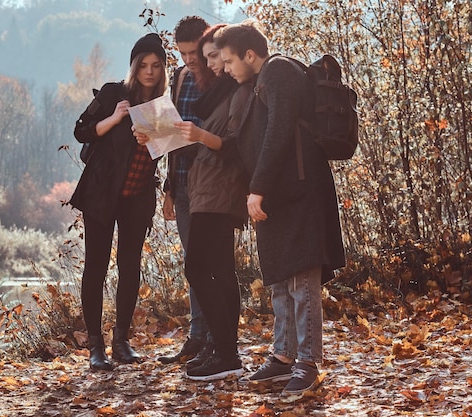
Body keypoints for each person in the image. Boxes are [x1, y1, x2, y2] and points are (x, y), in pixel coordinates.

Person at [214, 20, 346, 394]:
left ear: (250, 55)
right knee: (280, 280)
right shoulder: (259, 82)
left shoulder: (278, 71)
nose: (226, 68)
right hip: (280, 196)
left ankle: (308, 362)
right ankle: (284, 357)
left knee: (302, 280)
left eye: (228, 61)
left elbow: (280, 130)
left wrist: (257, 188)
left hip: (300, 194)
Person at [137, 24, 252, 381]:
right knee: (207, 268)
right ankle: (215, 347)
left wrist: (200, 135)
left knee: (205, 268)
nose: (199, 62)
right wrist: (154, 138)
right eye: (189, 56)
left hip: (219, 187)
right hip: (193, 183)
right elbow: (176, 131)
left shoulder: (232, 84)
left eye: (208, 55)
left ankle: (223, 350)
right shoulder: (190, 79)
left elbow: (233, 141)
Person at [68, 33, 168, 371]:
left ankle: (121, 341)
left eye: (156, 65)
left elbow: (165, 150)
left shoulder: (163, 103)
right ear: (134, 66)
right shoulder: (114, 91)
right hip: (102, 192)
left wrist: (153, 137)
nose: (149, 71)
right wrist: (115, 119)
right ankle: (96, 346)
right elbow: (81, 130)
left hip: (138, 195)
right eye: (143, 65)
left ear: (163, 69)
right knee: (96, 267)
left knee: (130, 267)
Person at [157, 15, 215, 365]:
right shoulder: (179, 77)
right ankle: (196, 338)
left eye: (193, 52)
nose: (189, 60)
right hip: (182, 184)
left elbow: (226, 128)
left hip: (211, 183)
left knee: (213, 264)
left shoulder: (219, 75)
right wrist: (169, 187)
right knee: (192, 264)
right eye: (182, 53)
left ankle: (217, 340)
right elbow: (171, 135)